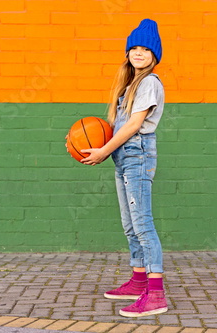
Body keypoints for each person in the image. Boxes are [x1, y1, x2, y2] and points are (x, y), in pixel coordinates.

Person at [65, 18, 167, 317]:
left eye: (145, 49)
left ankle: (156, 294)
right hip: (123, 157)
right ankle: (138, 281)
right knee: (129, 224)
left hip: (137, 156)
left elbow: (134, 126)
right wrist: (76, 141)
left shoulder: (149, 82)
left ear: (154, 55)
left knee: (143, 224)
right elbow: (115, 127)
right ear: (127, 53)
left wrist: (102, 152)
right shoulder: (129, 85)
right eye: (134, 47)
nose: (138, 52)